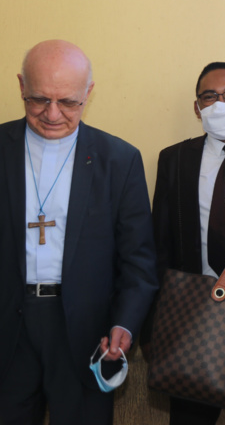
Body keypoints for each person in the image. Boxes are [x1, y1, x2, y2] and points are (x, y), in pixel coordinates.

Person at [0, 40, 158, 424]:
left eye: (68, 102)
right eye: (38, 99)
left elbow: (138, 259)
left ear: (88, 93)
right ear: (21, 86)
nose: (52, 114)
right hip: (8, 325)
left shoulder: (119, 160)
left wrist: (123, 323)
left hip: (85, 330)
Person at [150, 62, 225, 424]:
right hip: (193, 312)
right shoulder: (175, 159)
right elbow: (160, 244)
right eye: (209, 96)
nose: (220, 103)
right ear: (197, 108)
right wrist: (155, 323)